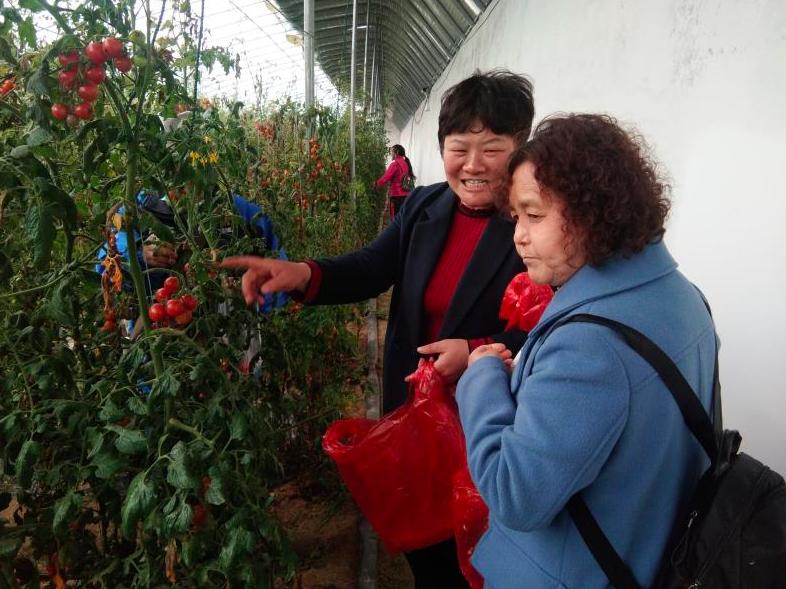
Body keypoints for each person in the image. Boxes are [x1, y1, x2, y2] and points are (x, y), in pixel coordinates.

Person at [223, 70, 536, 588]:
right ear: (442, 147)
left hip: (484, 427)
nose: (474, 165)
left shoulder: (533, 226)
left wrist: (479, 352)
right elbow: (372, 267)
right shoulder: (424, 208)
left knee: (480, 554)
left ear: (520, 146)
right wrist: (303, 274)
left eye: (493, 148)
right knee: (425, 545)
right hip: (413, 419)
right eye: (461, 147)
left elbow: (549, 327)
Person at [456, 114, 716, 588]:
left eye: (535, 215)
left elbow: (516, 494)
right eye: (517, 217)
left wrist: (481, 379)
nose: (519, 235)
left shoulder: (589, 343)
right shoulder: (684, 296)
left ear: (593, 213)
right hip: (649, 550)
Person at [375, 144, 415, 218]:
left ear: (396, 152)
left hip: (397, 195)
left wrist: (376, 184)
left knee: (395, 218)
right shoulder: (405, 162)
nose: (391, 154)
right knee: (402, 217)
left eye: (391, 152)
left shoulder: (395, 163)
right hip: (406, 194)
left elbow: (385, 178)